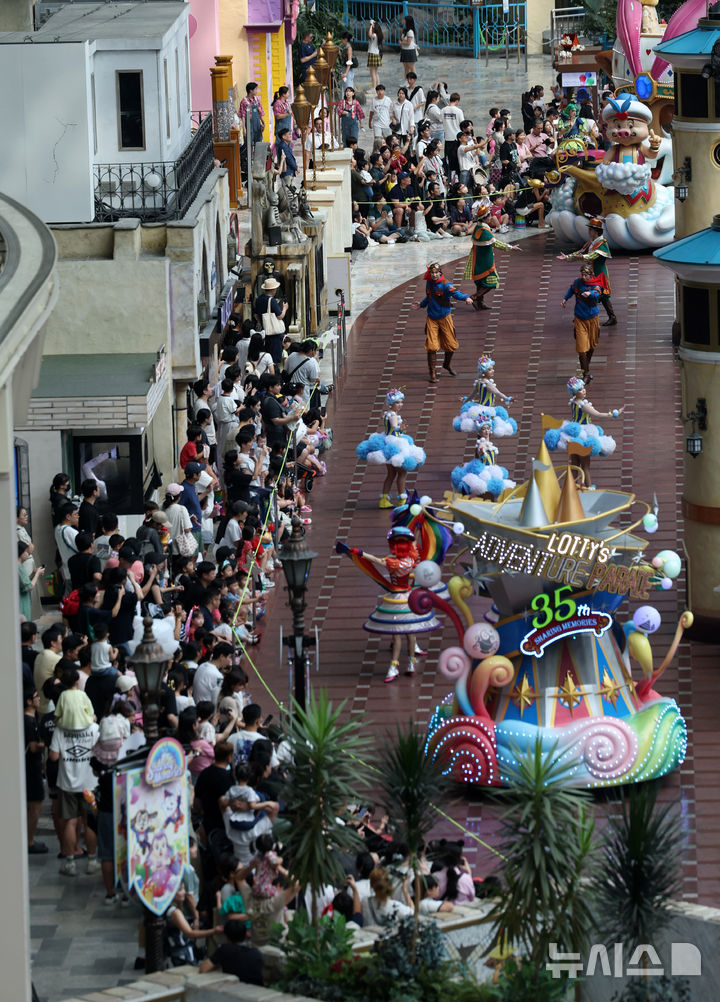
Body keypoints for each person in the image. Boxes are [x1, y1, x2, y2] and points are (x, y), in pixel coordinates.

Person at [337, 523, 443, 681]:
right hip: (409, 596)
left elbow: (374, 560)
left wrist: (359, 552)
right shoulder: (410, 559)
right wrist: (420, 531)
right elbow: (414, 545)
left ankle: (394, 666)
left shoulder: (391, 562)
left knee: (397, 633)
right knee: (410, 631)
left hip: (396, 598)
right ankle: (410, 664)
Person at [49, 684, 100, 876]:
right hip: (90, 784)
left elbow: (53, 757)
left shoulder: (60, 730)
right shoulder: (95, 728)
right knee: (90, 822)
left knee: (70, 821)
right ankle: (93, 861)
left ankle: (69, 863)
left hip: (68, 783)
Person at [544, 377, 624, 487]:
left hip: (572, 434)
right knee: (585, 465)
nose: (584, 390)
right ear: (574, 392)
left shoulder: (573, 402)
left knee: (574, 464)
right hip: (583, 434)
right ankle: (588, 487)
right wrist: (614, 414)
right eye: (580, 389)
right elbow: (597, 414)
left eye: (583, 388)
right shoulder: (583, 405)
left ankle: (571, 488)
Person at [355, 390, 425, 510]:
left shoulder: (388, 413)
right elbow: (394, 428)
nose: (400, 404)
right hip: (395, 442)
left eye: (401, 402)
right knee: (402, 473)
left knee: (391, 474)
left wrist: (400, 429)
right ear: (391, 403)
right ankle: (402, 499)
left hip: (388, 440)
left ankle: (384, 500)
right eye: (397, 402)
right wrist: (401, 428)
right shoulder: (393, 415)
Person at [414, 262, 473, 383]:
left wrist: (466, 298)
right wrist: (421, 305)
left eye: (436, 272)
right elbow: (429, 297)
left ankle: (446, 365)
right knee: (432, 347)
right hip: (432, 318)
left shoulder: (446, 285)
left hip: (445, 318)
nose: (434, 275)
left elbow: (456, 293)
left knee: (451, 345)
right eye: (432, 273)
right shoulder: (429, 283)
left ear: (440, 273)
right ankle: (432, 373)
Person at [557, 218, 616, 326]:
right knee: (586, 292)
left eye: (590, 230)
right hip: (590, 273)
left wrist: (581, 257)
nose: (589, 232)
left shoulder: (602, 243)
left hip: (599, 273)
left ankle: (611, 317)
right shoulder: (591, 243)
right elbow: (580, 252)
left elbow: (592, 256)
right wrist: (567, 257)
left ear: (596, 231)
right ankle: (583, 315)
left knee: (602, 296)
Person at [464, 205, 522, 312]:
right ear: (485, 218)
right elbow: (495, 243)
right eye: (489, 215)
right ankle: (475, 297)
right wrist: (510, 247)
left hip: (478, 259)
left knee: (481, 282)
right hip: (484, 261)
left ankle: (480, 302)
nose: (491, 217)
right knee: (491, 282)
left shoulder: (479, 227)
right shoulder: (483, 230)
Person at [561, 264, 602, 382]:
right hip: (579, 319)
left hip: (593, 318)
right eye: (582, 274)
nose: (584, 277)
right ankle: (586, 373)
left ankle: (586, 369)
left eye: (586, 275)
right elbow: (571, 290)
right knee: (581, 347)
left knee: (592, 345)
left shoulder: (595, 284)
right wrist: (565, 299)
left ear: (591, 275)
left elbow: (597, 293)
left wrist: (590, 294)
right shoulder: (577, 283)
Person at [199, 918, 264, 983]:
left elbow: (203, 969)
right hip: (257, 989)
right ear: (245, 934)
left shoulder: (225, 949)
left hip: (236, 989)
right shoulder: (256, 953)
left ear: (226, 936)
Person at [254, 278, 287, 365]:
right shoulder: (271, 300)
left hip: (263, 330)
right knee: (274, 359)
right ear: (273, 290)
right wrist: (285, 308)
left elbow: (256, 315)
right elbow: (280, 316)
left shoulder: (259, 299)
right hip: (273, 333)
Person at [18, 543, 44, 622]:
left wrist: (33, 574)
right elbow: (29, 587)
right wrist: (37, 574)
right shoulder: (19, 566)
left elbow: (24, 581)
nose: (28, 554)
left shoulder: (20, 565)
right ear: (20, 552)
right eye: (26, 552)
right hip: (21, 601)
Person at [366, 19, 383, 89]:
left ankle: (375, 87)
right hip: (376, 54)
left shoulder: (374, 35)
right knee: (375, 72)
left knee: (372, 73)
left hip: (372, 54)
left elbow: (369, 34)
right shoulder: (377, 35)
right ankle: (378, 86)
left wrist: (371, 26)